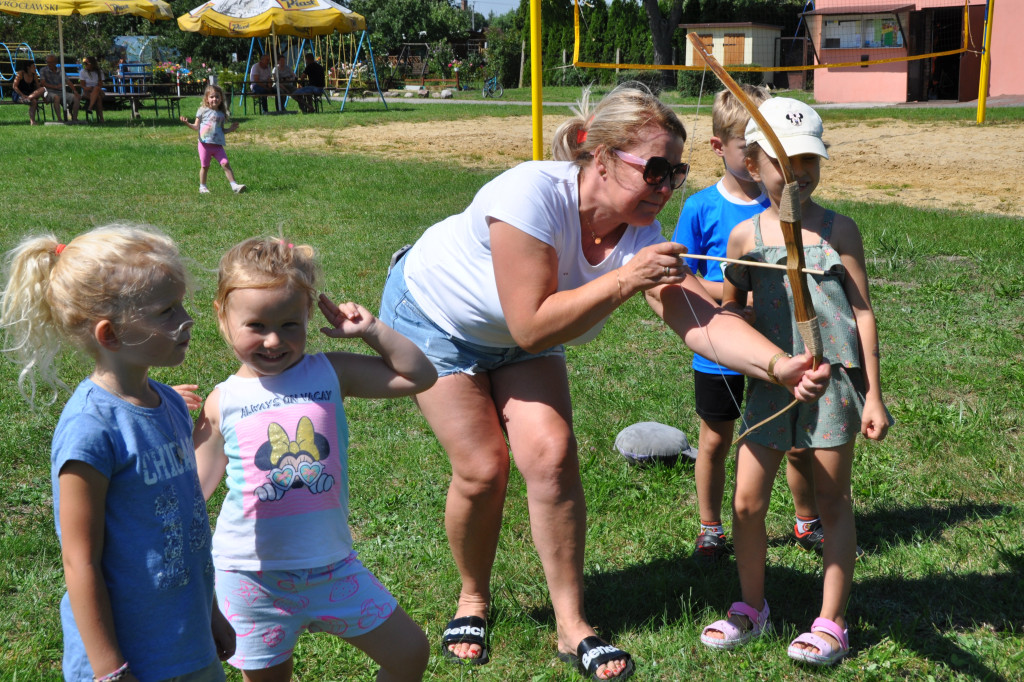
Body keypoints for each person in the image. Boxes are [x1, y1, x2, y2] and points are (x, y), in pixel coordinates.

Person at [378, 83, 831, 681]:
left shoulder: (639, 232)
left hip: (520, 332)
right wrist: (625, 281)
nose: (667, 187)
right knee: (484, 466)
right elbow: (534, 324)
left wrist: (779, 364)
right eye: (656, 170)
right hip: (436, 320)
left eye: (677, 172)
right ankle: (473, 600)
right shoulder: (530, 194)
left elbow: (699, 319)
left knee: (552, 453)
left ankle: (572, 624)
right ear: (600, 156)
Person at [699, 98, 891, 666]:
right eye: (786, 162)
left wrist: (874, 392)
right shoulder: (743, 238)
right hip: (770, 387)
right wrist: (751, 335)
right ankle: (751, 607)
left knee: (833, 501)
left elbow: (861, 312)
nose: (799, 173)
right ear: (754, 164)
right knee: (747, 503)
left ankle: (832, 621)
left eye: (810, 161)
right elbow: (730, 312)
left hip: (833, 387)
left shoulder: (839, 230)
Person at [193, 237, 436, 681]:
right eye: (256, 325)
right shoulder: (223, 400)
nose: (273, 340)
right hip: (250, 578)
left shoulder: (329, 372)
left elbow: (419, 375)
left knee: (409, 653)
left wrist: (372, 331)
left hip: (331, 566)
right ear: (223, 319)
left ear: (308, 314)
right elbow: (193, 490)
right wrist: (164, 424)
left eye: (290, 324)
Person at [0, 225, 235, 682]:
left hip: (187, 644)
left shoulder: (166, 402)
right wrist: (109, 667)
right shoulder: (91, 429)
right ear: (110, 335)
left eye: (181, 303)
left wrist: (210, 613)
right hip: (130, 661)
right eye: (167, 311)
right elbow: (79, 560)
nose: (186, 319)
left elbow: (184, 526)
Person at [674, 85, 835, 565]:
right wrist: (727, 304)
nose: (776, 167)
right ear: (725, 149)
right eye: (749, 148)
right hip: (722, 348)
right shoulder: (701, 207)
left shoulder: (790, 206)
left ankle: (806, 518)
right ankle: (710, 527)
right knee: (716, 437)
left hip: (784, 346)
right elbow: (684, 275)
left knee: (796, 440)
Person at [180, 84, 246, 195]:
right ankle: (203, 187)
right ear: (206, 98)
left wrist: (231, 129)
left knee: (225, 163)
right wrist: (187, 123)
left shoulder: (221, 114)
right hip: (204, 145)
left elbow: (221, 130)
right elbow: (196, 127)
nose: (214, 99)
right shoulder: (202, 111)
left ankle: (234, 186)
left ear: (221, 99)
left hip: (218, 146)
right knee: (205, 166)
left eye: (217, 96)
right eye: (211, 97)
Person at [40, 54, 82, 123]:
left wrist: (75, 91)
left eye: (51, 62)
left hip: (61, 92)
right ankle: (59, 119)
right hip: (49, 92)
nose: (49, 64)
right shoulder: (43, 70)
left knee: (76, 98)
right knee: (56, 97)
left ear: (55, 62)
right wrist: (55, 87)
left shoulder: (61, 71)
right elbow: (43, 83)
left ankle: (74, 118)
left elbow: (68, 81)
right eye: (47, 62)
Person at [11, 60, 46, 125]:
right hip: (19, 94)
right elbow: (14, 86)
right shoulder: (20, 73)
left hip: (30, 94)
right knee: (34, 101)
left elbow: (38, 87)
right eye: (33, 66)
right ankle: (26, 99)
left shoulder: (34, 74)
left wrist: (43, 97)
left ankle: (32, 121)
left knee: (42, 89)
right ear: (28, 67)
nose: (35, 68)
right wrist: (22, 95)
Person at [80, 56, 105, 123]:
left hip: (97, 90)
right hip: (87, 91)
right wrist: (87, 88)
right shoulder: (83, 72)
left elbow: (100, 84)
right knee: (98, 98)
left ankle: (90, 107)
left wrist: (94, 89)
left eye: (87, 64)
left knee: (96, 88)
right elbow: (82, 85)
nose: (85, 65)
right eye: (84, 64)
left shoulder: (99, 72)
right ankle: (101, 118)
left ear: (92, 64)